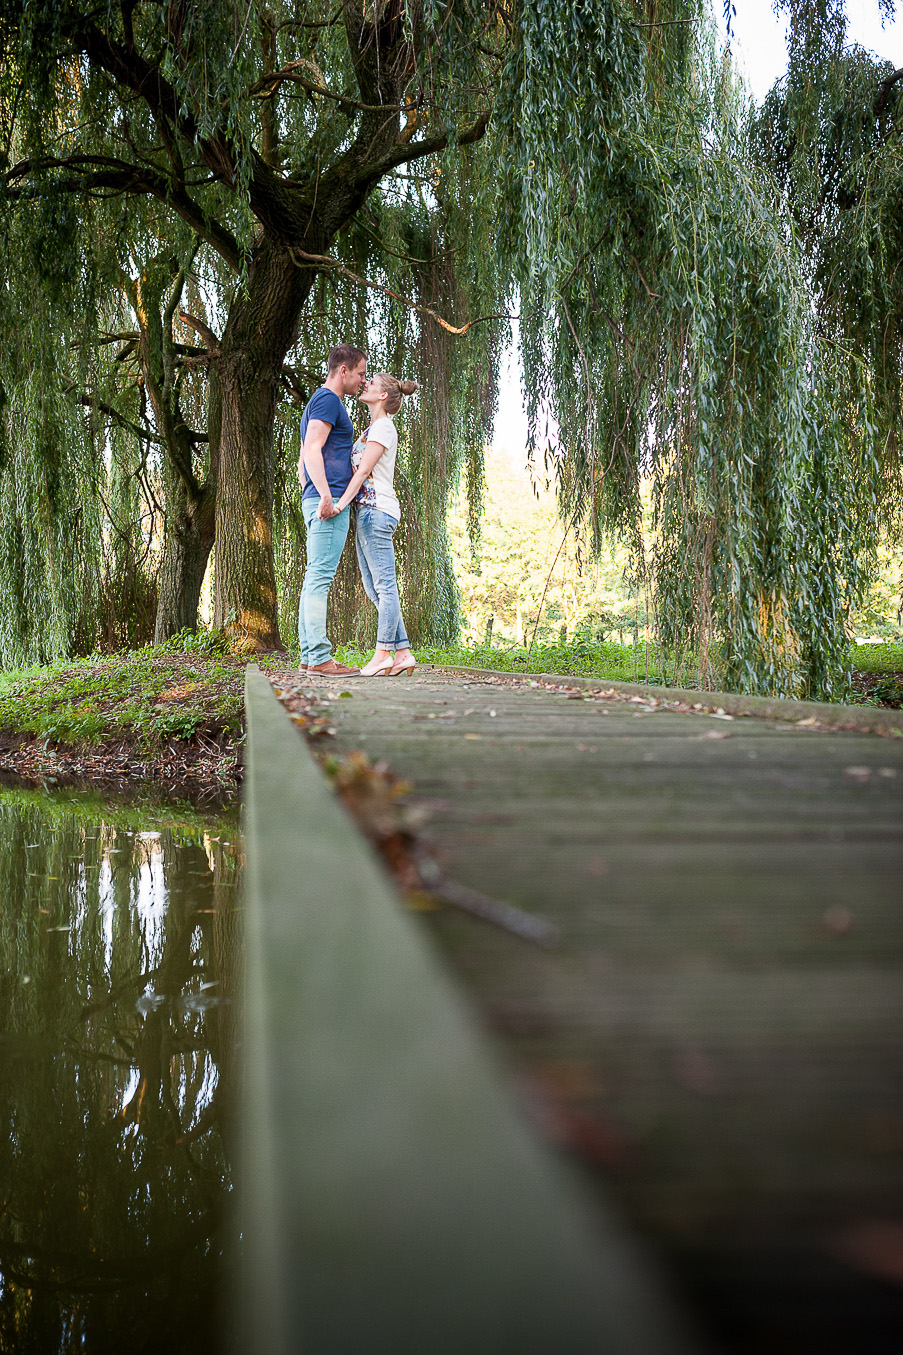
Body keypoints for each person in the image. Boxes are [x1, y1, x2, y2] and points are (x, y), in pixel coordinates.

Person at [329, 372, 419, 676]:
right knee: (375, 587)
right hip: (368, 513)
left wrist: (340, 504)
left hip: (377, 511)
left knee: (384, 586)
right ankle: (403, 652)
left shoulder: (382, 427)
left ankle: (383, 653)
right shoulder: (374, 427)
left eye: (372, 382)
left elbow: (362, 471)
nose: (365, 384)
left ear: (382, 395)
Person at [297, 344, 367, 676]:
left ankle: (310, 657)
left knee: (314, 576)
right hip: (330, 501)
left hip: (320, 498)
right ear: (343, 371)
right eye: (360, 374)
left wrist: (309, 492)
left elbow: (303, 458)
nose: (362, 382)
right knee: (319, 578)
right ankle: (322, 659)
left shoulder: (318, 401)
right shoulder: (328, 400)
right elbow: (312, 449)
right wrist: (325, 495)